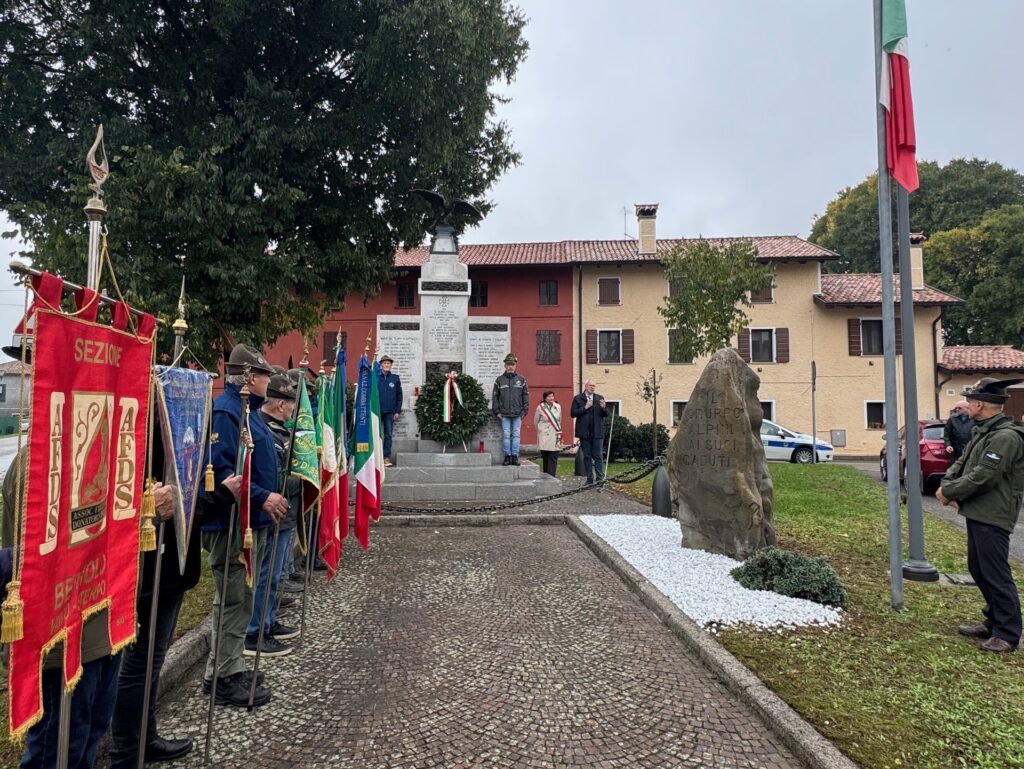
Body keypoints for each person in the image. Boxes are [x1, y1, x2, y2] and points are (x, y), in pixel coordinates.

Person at [109, 425, 201, 767]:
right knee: (137, 666)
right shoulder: (132, 423)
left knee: (152, 663)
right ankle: (126, 753)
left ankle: (145, 738)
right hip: (144, 568)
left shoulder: (172, 416)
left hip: (173, 566)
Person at [201, 344, 287, 706]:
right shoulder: (226, 412)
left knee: (242, 597)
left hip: (252, 522)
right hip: (233, 523)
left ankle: (227, 666)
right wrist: (261, 496)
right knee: (234, 599)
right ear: (251, 377)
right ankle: (223, 677)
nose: (270, 381)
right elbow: (223, 474)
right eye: (265, 374)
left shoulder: (247, 411)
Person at [936, 377, 1024, 654]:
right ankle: (994, 621)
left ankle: (1008, 633)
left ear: (978, 404)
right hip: (979, 510)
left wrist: (951, 493)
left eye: (970, 400)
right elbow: (962, 463)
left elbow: (984, 476)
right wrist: (948, 485)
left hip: (994, 512)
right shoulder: (983, 431)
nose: (966, 405)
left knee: (995, 572)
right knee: (979, 569)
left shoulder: (1005, 437)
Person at [244, 373, 302, 658]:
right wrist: (303, 478)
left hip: (284, 513)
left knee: (275, 576)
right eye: (291, 403)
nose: (294, 408)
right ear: (281, 405)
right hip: (273, 513)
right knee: (266, 576)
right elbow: (276, 478)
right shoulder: (262, 429)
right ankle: (257, 630)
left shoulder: (277, 430)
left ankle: (267, 621)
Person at [570, 379, 610, 486]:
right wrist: (585, 407)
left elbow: (606, 414)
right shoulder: (578, 398)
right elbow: (573, 413)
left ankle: (600, 479)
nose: (593, 387)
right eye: (591, 385)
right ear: (586, 386)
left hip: (597, 432)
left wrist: (604, 408)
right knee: (587, 456)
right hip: (584, 432)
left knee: (598, 456)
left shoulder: (599, 398)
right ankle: (589, 478)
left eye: (594, 386)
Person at [492, 353, 529, 465]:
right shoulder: (499, 380)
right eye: (508, 364)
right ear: (505, 366)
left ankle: (515, 456)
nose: (510, 366)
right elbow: (495, 396)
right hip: (504, 414)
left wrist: (525, 410)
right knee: (507, 435)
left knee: (516, 435)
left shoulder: (521, 380)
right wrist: (497, 411)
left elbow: (525, 395)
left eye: (512, 364)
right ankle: (507, 457)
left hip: (517, 414)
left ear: (515, 365)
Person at [378, 355, 403, 467]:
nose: (386, 365)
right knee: (376, 434)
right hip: (377, 411)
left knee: (388, 435)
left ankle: (386, 457)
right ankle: (376, 457)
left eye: (388, 363)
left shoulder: (395, 378)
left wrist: (397, 411)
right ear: (381, 365)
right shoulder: (376, 377)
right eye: (384, 363)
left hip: (390, 412)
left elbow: (399, 395)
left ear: (391, 365)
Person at [533, 390, 562, 477]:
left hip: (555, 434)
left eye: (552, 396)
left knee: (553, 456)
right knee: (545, 457)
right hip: (544, 435)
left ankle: (552, 476)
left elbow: (560, 420)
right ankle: (546, 476)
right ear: (545, 398)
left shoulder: (558, 406)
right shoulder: (540, 408)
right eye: (549, 396)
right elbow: (535, 422)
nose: (551, 398)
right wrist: (541, 431)